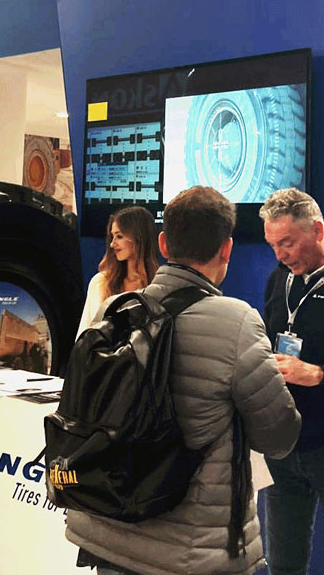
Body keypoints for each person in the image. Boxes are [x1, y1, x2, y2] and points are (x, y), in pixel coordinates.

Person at [65, 186, 301, 575]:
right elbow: (279, 436)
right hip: (191, 551)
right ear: (226, 249)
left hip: (107, 529)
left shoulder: (115, 310)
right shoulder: (238, 322)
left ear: (163, 243)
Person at [260, 188, 324, 575]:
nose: (280, 255)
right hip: (284, 444)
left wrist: (318, 374)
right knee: (283, 564)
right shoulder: (278, 279)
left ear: (317, 230)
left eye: (287, 242)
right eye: (273, 245)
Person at [77, 205, 158, 334]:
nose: (112, 244)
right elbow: (85, 333)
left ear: (139, 238)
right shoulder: (100, 283)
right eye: (112, 237)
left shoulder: (158, 285)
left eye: (119, 236)